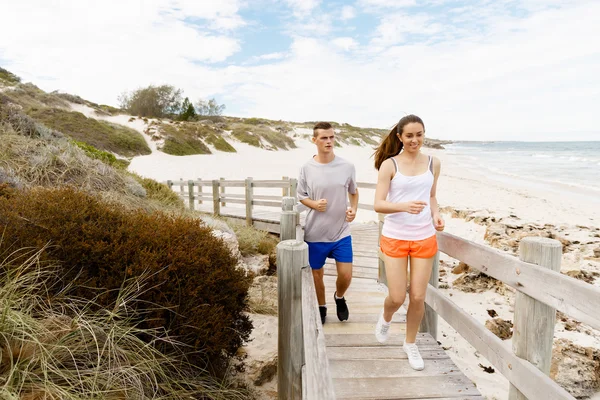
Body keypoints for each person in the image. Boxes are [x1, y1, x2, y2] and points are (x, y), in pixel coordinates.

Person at [372, 114, 444, 370]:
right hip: (395, 237)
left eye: (419, 134)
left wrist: (436, 214)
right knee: (396, 296)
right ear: (400, 137)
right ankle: (386, 316)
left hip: (424, 236)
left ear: (424, 135)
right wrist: (404, 206)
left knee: (417, 296)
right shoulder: (389, 165)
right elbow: (378, 204)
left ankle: (410, 343)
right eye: (410, 135)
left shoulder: (433, 163)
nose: (415, 140)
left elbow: (432, 196)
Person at [297, 121, 359, 325]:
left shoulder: (347, 166)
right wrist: (314, 204)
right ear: (314, 140)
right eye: (324, 137)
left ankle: (339, 297)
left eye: (332, 137)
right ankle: (321, 307)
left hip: (341, 232)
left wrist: (353, 210)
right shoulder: (307, 168)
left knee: (346, 274)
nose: (329, 141)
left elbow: (353, 191)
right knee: (317, 275)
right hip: (315, 233)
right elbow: (301, 196)